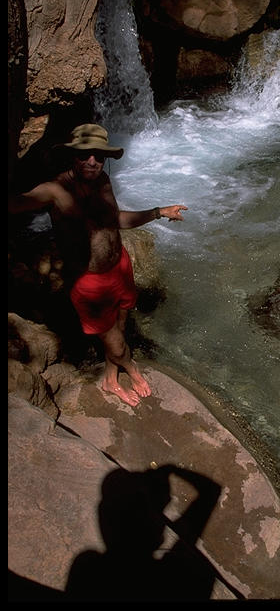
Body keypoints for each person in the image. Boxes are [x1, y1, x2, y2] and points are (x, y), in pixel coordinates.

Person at [9, 123, 188, 407]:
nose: (92, 161)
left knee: (120, 325)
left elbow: (116, 219)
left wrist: (157, 212)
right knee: (117, 343)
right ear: (73, 156)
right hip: (89, 282)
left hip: (119, 265)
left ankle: (110, 377)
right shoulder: (54, 191)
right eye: (85, 155)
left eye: (98, 156)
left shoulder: (103, 180)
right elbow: (16, 204)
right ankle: (131, 368)